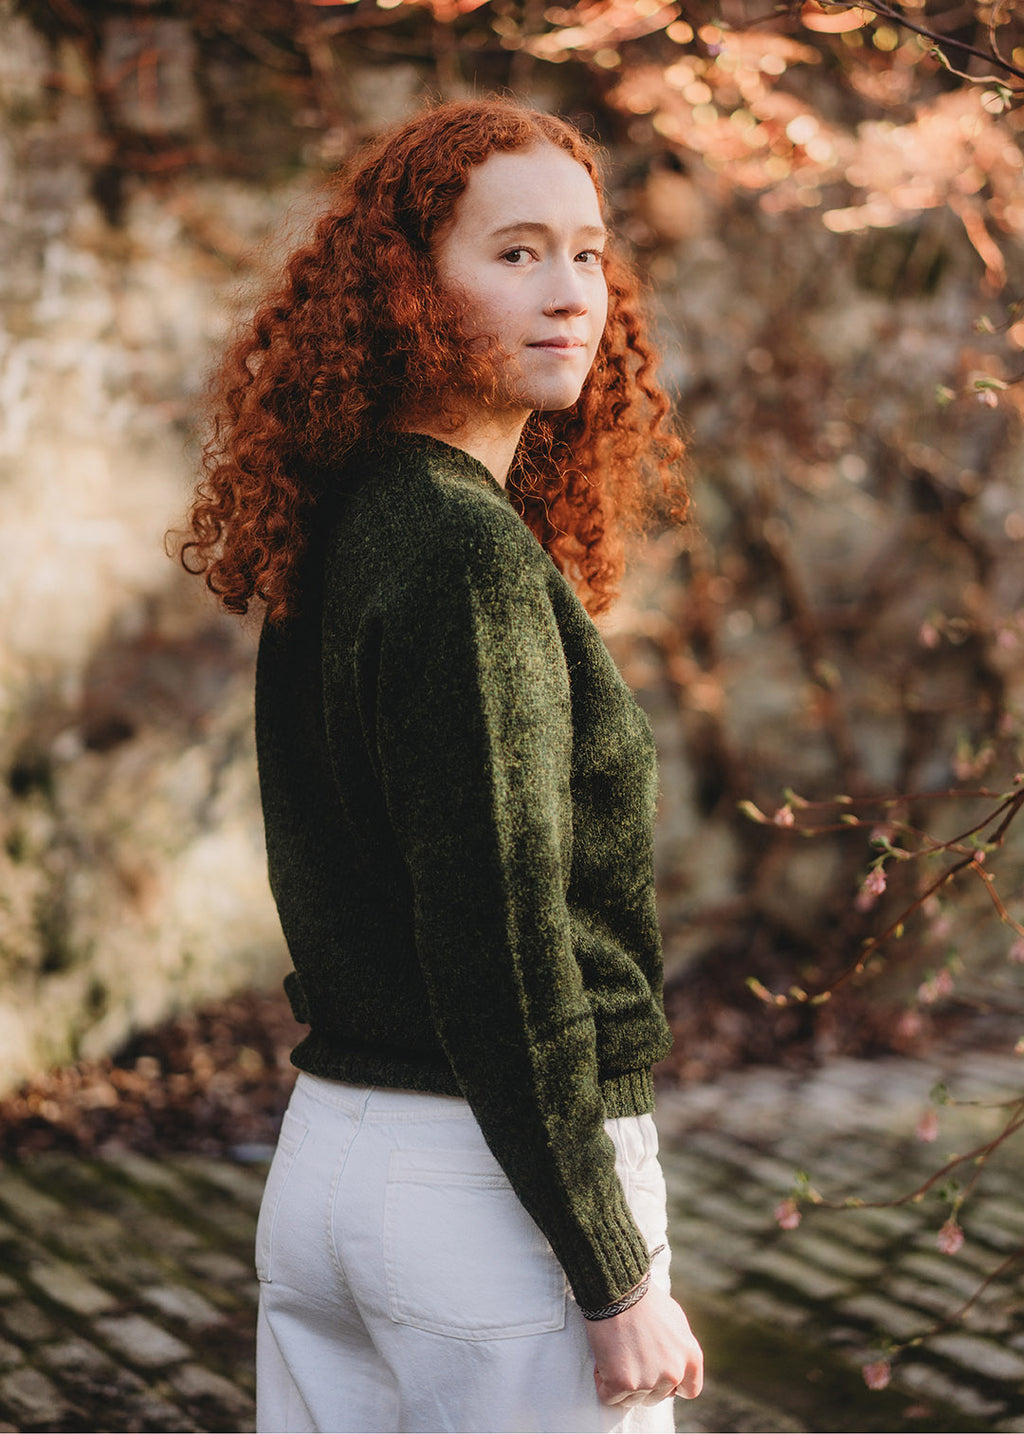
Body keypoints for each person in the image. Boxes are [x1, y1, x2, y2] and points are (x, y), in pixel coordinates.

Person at [180, 95, 704, 1434]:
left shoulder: (352, 517)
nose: (572, 291)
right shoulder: (462, 557)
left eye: (588, 252)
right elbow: (503, 936)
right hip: (490, 1207)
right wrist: (613, 1270)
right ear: (406, 289)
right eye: (516, 252)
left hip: (332, 1174)